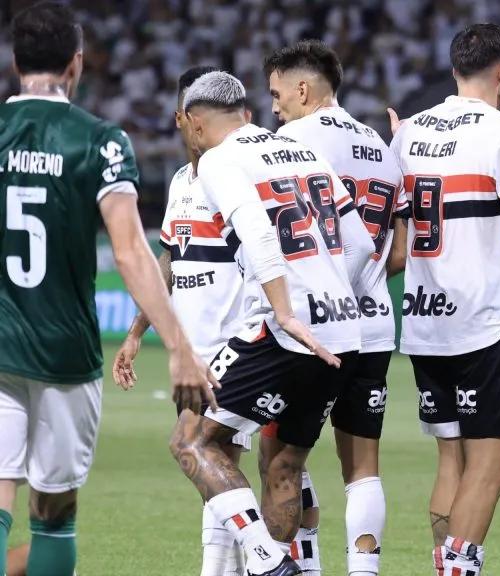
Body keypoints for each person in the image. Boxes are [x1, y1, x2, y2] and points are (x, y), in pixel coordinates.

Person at [0, 3, 217, 575]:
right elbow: (129, 250)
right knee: (53, 517)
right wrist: (178, 346)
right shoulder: (99, 141)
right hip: (64, 355)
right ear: (76, 64)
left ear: (16, 62)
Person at [169, 70, 374, 576]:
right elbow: (363, 243)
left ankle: (265, 560)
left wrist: (286, 309)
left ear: (195, 123)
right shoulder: (302, 151)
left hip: (286, 329)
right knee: (285, 465)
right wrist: (326, 295)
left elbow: (259, 236)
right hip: (342, 330)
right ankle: (276, 563)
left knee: (192, 439)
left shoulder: (219, 160)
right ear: (248, 114)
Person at [390, 22, 500, 575]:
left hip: (423, 321)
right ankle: (458, 570)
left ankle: (444, 564)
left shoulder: (409, 131)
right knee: (493, 457)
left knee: (450, 460)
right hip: (481, 320)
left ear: (456, 69)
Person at [263, 39, 408, 576]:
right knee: (363, 467)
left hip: (311, 326)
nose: (273, 106)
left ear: (303, 89)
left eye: (277, 94)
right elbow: (397, 253)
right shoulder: (379, 146)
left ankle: (298, 567)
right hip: (373, 324)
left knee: (281, 457)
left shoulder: (293, 140)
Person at [110, 65, 251, 576]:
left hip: (238, 347)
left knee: (212, 454)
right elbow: (168, 266)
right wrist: (134, 333)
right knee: (215, 465)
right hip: (191, 353)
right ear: (181, 118)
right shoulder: (180, 183)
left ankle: (256, 562)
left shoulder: (237, 175)